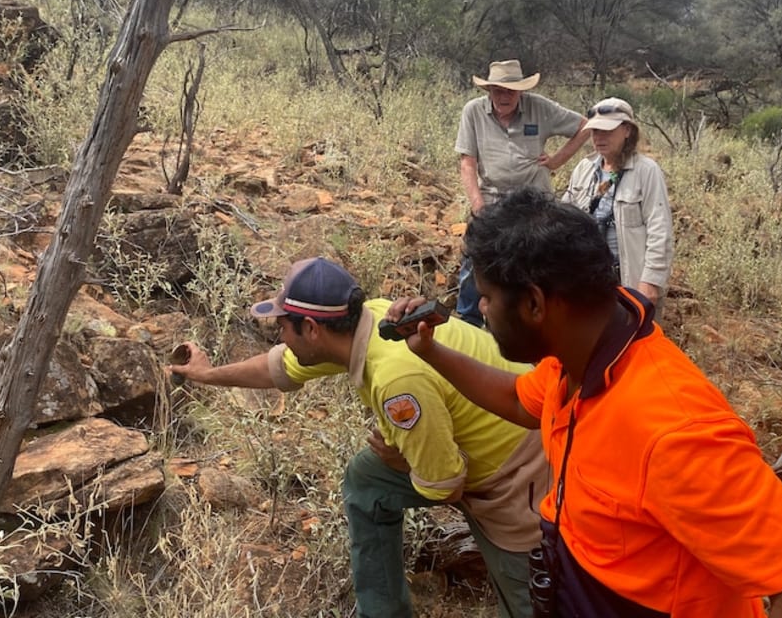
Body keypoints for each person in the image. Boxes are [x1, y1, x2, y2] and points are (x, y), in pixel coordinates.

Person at [386, 189, 782, 618]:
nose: (482, 311)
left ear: (534, 304)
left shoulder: (674, 430)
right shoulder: (575, 357)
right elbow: (520, 400)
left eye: (487, 298)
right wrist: (430, 351)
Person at [167, 257, 549, 618]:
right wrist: (208, 374)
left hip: (518, 469)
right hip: (461, 442)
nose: (279, 335)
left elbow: (446, 485)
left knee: (530, 601)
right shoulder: (371, 318)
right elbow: (280, 367)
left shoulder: (396, 380)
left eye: (283, 326)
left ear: (312, 330)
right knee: (368, 479)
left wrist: (404, 462)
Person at [454, 59, 589, 327]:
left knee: (536, 262)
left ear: (521, 91)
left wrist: (557, 160)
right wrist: (478, 205)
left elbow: (585, 126)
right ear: (489, 90)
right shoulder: (473, 111)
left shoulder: (540, 108)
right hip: (492, 197)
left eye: (510, 91)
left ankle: (529, 324)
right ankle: (467, 320)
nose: (504, 97)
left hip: (533, 202)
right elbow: (467, 162)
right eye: (498, 91)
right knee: (475, 257)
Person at [561, 97, 673, 312]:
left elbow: (660, 230)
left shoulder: (646, 171)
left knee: (636, 343)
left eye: (607, 131)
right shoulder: (584, 169)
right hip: (588, 280)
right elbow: (566, 221)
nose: (599, 138)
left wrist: (650, 282)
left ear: (627, 131)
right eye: (595, 131)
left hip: (630, 281)